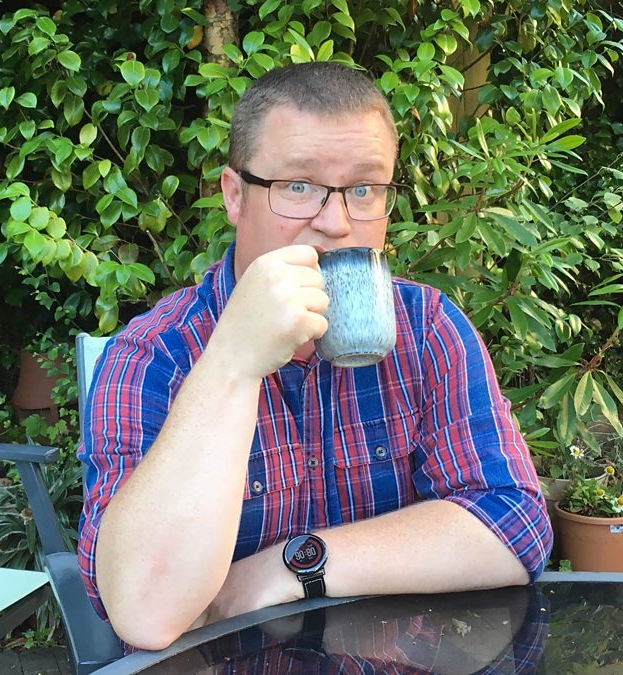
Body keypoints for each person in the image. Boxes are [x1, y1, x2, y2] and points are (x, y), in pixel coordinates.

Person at [77, 61, 552, 652]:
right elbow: (144, 612)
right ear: (234, 196)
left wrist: (290, 567)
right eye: (298, 187)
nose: (336, 224)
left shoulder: (426, 329)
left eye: (364, 189)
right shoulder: (154, 356)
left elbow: (513, 524)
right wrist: (232, 363)